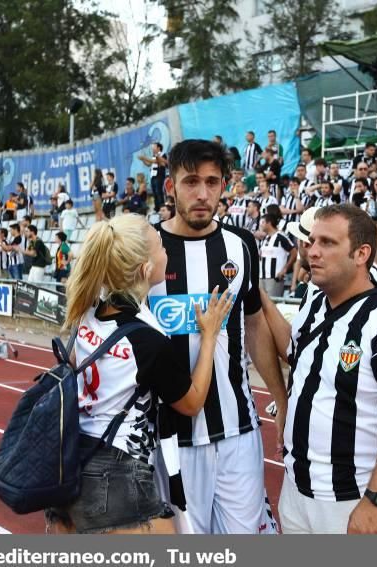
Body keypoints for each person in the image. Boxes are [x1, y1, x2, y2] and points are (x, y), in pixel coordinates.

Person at [44, 215, 233, 535]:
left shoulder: (88, 313)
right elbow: (192, 402)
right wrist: (210, 336)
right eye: (161, 247)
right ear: (146, 269)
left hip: (71, 458)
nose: (167, 252)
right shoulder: (147, 341)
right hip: (116, 471)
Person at [147, 139, 286, 534]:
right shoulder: (147, 249)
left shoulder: (240, 246)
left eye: (212, 181)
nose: (202, 193)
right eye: (191, 181)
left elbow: (255, 323)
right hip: (170, 440)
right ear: (170, 186)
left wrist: (280, 398)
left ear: (226, 185)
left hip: (237, 432)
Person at [279, 204, 377, 534]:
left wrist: (375, 500)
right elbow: (291, 352)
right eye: (312, 241)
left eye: (327, 243)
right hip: (298, 490)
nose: (312, 252)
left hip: (354, 496)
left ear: (361, 254)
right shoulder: (315, 306)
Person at [258, 213, 296, 297]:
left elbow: (294, 252)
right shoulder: (265, 238)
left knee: (272, 304)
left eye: (263, 222)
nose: (260, 225)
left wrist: (285, 269)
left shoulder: (281, 237)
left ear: (269, 223)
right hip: (261, 277)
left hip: (274, 278)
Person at [139, 142, 167, 213]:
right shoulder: (153, 155)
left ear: (158, 148)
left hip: (159, 175)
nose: (152, 148)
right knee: (154, 192)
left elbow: (156, 161)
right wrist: (143, 160)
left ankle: (161, 206)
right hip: (153, 175)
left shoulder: (162, 154)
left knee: (159, 192)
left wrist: (144, 158)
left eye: (154, 147)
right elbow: (149, 164)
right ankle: (157, 207)